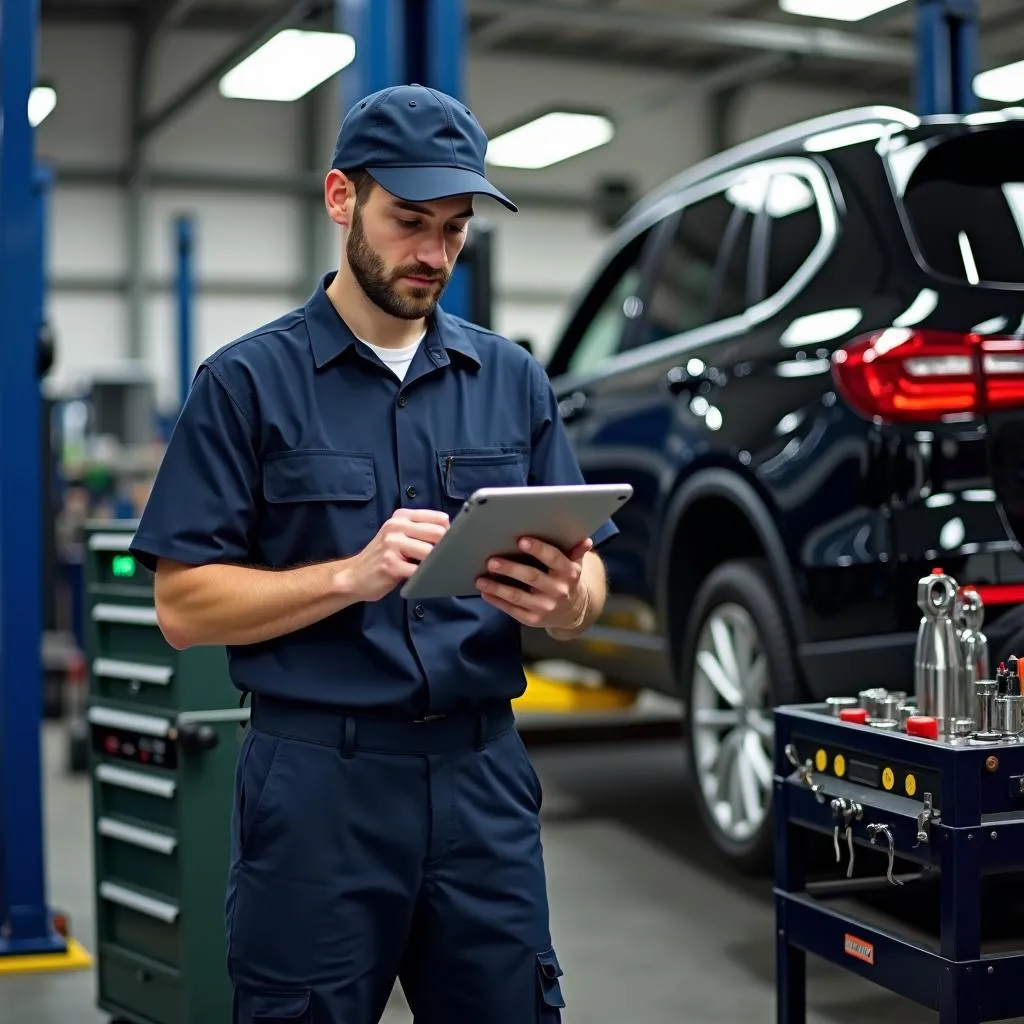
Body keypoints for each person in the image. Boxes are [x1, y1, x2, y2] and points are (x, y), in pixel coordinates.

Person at [129, 83, 618, 1024]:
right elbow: (183, 608)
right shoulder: (244, 384)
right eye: (409, 221)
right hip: (319, 786)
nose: (434, 254)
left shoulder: (511, 378)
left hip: (483, 780)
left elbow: (591, 570)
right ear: (341, 197)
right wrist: (350, 577)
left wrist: (566, 599)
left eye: (455, 228)